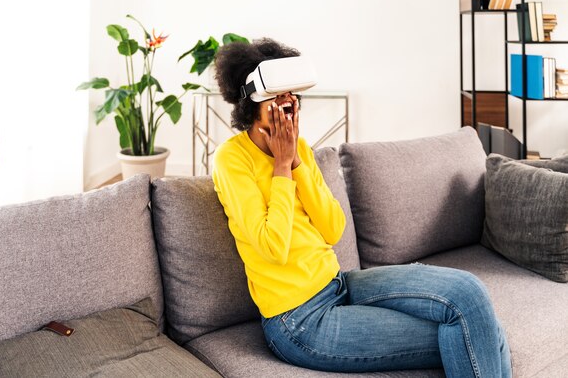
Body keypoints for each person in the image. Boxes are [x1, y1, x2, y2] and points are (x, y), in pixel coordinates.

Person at [211, 38, 512, 377]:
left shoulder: (302, 151)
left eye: (291, 94)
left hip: (338, 284)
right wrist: (281, 167)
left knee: (470, 296)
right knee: (478, 330)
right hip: (298, 320)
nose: (288, 103)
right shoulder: (231, 160)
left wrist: (295, 160)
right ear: (251, 101)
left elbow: (332, 229)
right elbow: (273, 247)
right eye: (277, 95)